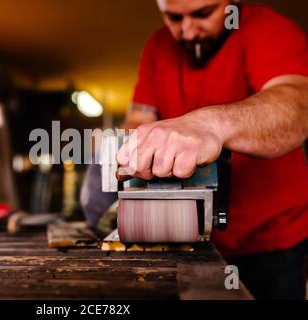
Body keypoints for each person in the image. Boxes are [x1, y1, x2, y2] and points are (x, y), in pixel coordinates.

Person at [80, 0, 308, 300]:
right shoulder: (158, 46)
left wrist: (210, 125)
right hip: (188, 237)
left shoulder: (268, 29)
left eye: (203, 13)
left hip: (271, 243)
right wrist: (123, 150)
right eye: (174, 17)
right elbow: (139, 118)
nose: (187, 31)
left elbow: (297, 107)